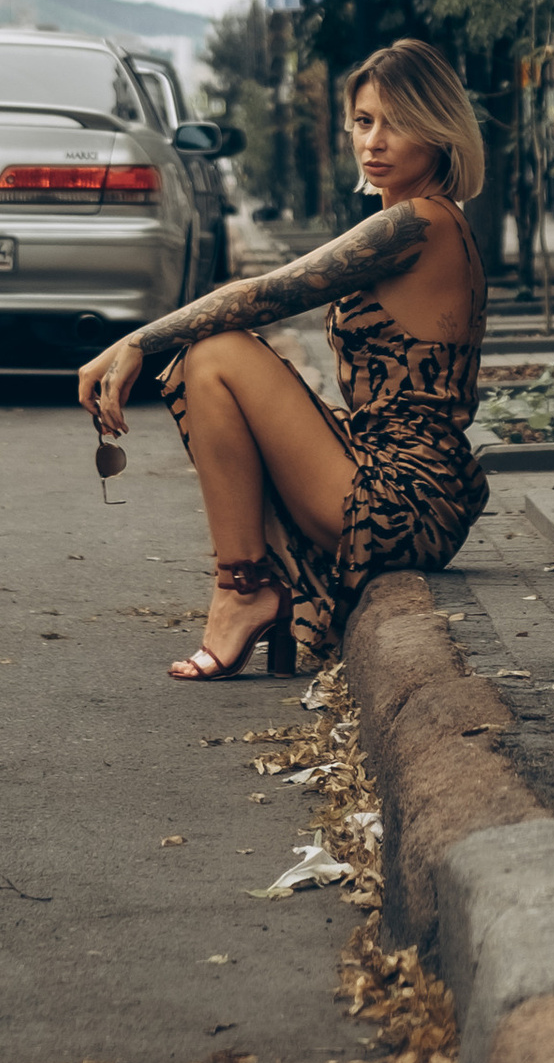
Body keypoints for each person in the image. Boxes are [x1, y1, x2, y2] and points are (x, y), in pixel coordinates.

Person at [77, 38, 490, 681]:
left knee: (214, 352)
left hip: (405, 498)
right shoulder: (416, 220)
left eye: (397, 122)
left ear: (439, 130)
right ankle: (252, 588)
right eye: (363, 121)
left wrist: (134, 342)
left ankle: (243, 590)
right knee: (216, 371)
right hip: (396, 474)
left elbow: (263, 295)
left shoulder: (419, 224)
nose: (373, 141)